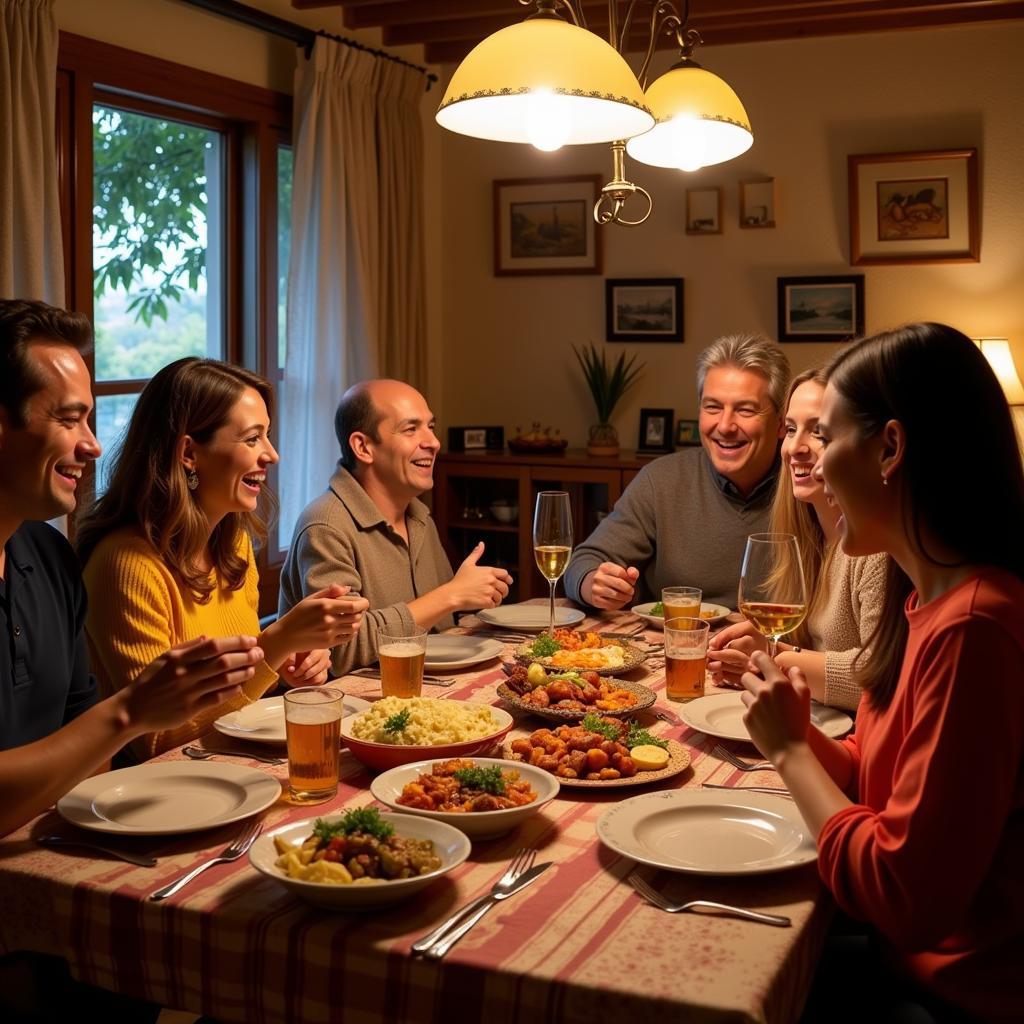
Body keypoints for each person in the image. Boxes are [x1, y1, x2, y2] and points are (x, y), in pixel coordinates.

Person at [738, 324, 1024, 1022]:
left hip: (953, 992)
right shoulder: (926, 598)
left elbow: (906, 899)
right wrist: (813, 736)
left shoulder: (975, 628)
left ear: (891, 448)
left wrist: (790, 751)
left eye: (828, 437)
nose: (814, 464)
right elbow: (887, 776)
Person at [0, 299, 263, 835]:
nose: (92, 445)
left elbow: (89, 763)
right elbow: (127, 736)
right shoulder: (121, 558)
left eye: (90, 419)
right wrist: (131, 712)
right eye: (68, 419)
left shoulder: (49, 558)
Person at [77, 358, 368, 760]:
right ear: (189, 454)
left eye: (267, 436)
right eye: (252, 439)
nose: (272, 455)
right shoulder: (125, 564)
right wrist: (276, 643)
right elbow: (155, 741)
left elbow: (231, 700)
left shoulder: (233, 545)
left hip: (223, 770)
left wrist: (284, 661)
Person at [279, 379, 513, 675]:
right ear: (363, 447)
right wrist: (451, 595)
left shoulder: (419, 517)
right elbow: (340, 649)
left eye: (431, 426)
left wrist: (471, 595)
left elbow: (440, 628)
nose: (433, 442)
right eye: (411, 429)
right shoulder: (325, 526)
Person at [707, 368, 898, 711]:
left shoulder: (877, 549)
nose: (795, 447)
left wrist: (773, 655)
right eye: (791, 429)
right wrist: (758, 655)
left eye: (819, 432)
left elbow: (881, 679)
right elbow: (805, 651)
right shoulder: (806, 534)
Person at [563, 333, 790, 610]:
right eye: (713, 407)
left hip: (772, 649)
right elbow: (585, 560)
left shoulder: (806, 487)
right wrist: (592, 584)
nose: (725, 425)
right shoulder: (660, 481)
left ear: (781, 423)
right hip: (674, 647)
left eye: (745, 410)